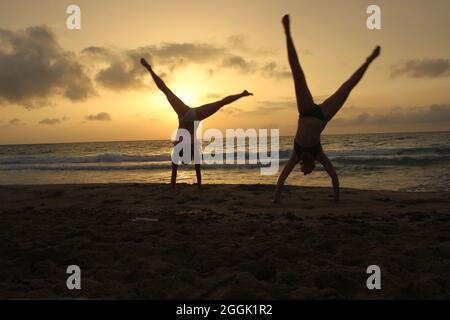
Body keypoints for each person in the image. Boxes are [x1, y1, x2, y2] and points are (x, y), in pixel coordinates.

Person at [274, 15, 381, 203]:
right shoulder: (318, 154)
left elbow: (282, 178)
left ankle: (287, 32)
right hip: (323, 116)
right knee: (347, 88)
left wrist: (276, 199)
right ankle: (369, 61)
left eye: (301, 171)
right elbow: (333, 175)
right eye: (305, 171)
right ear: (311, 166)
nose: (302, 172)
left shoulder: (296, 154)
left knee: (298, 74)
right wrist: (337, 198)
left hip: (305, 111)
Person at [140, 57, 253, 189]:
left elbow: (182, 171)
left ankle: (242, 94)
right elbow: (184, 171)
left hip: (188, 114)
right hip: (189, 114)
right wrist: (191, 186)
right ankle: (242, 94)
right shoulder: (185, 148)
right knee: (167, 91)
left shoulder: (184, 148)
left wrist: (175, 187)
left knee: (167, 91)